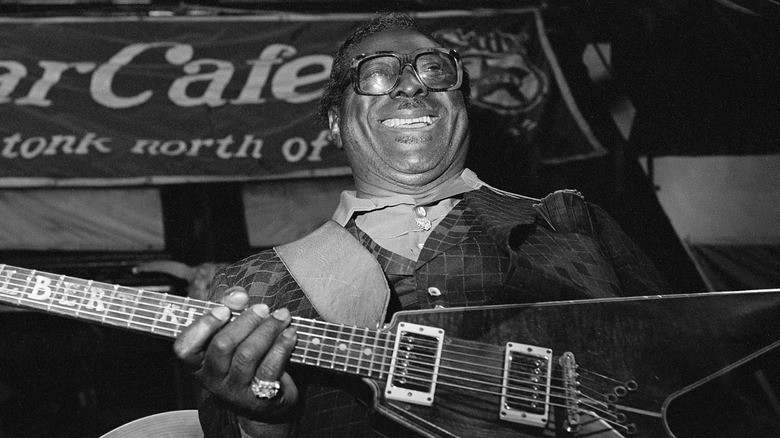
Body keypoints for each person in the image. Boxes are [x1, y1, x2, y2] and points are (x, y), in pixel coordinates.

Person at [173, 12, 667, 438]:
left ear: (462, 108)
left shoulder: (572, 222)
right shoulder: (257, 284)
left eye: (435, 70)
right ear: (336, 124)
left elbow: (691, 375)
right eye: (378, 75)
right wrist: (263, 417)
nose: (412, 85)